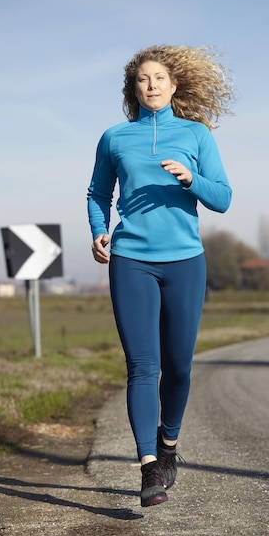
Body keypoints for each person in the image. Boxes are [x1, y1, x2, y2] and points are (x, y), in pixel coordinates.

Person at [87, 44, 234, 508]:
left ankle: (169, 442)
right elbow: (97, 194)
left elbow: (224, 198)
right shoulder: (114, 137)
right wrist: (99, 231)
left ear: (174, 86)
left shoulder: (196, 135)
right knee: (142, 366)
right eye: (142, 80)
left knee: (180, 366)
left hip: (186, 262)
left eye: (158, 79)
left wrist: (190, 178)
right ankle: (149, 467)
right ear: (134, 88)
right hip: (131, 260)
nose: (150, 86)